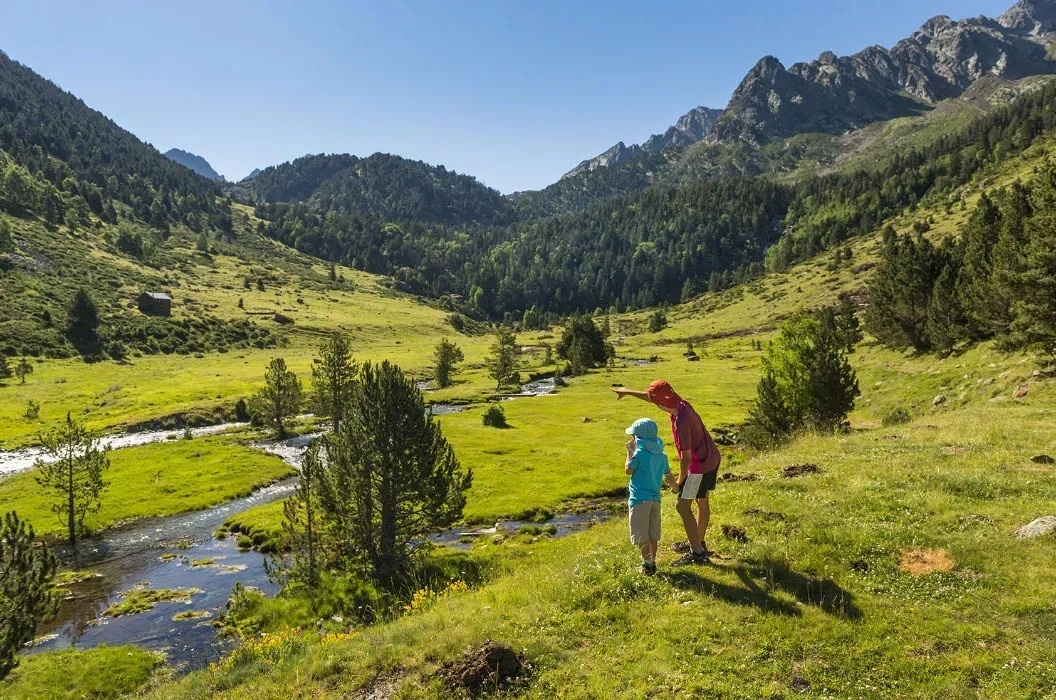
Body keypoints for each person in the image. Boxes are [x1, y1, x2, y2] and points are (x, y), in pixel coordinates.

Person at [613, 379, 721, 566]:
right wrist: (627, 391)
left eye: (656, 402)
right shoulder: (682, 404)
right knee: (702, 500)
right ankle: (698, 541)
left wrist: (679, 481)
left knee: (682, 506)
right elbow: (652, 398)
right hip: (712, 457)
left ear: (662, 404)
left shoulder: (681, 423)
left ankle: (697, 553)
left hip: (698, 468)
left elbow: (686, 459)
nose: (653, 404)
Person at [624, 417, 676, 576]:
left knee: (641, 535)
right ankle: (652, 561)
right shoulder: (662, 456)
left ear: (637, 438)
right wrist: (675, 487)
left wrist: (629, 453)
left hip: (639, 500)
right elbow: (668, 477)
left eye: (633, 436)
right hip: (655, 500)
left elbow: (628, 470)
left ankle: (647, 566)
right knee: (653, 533)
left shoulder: (638, 454)